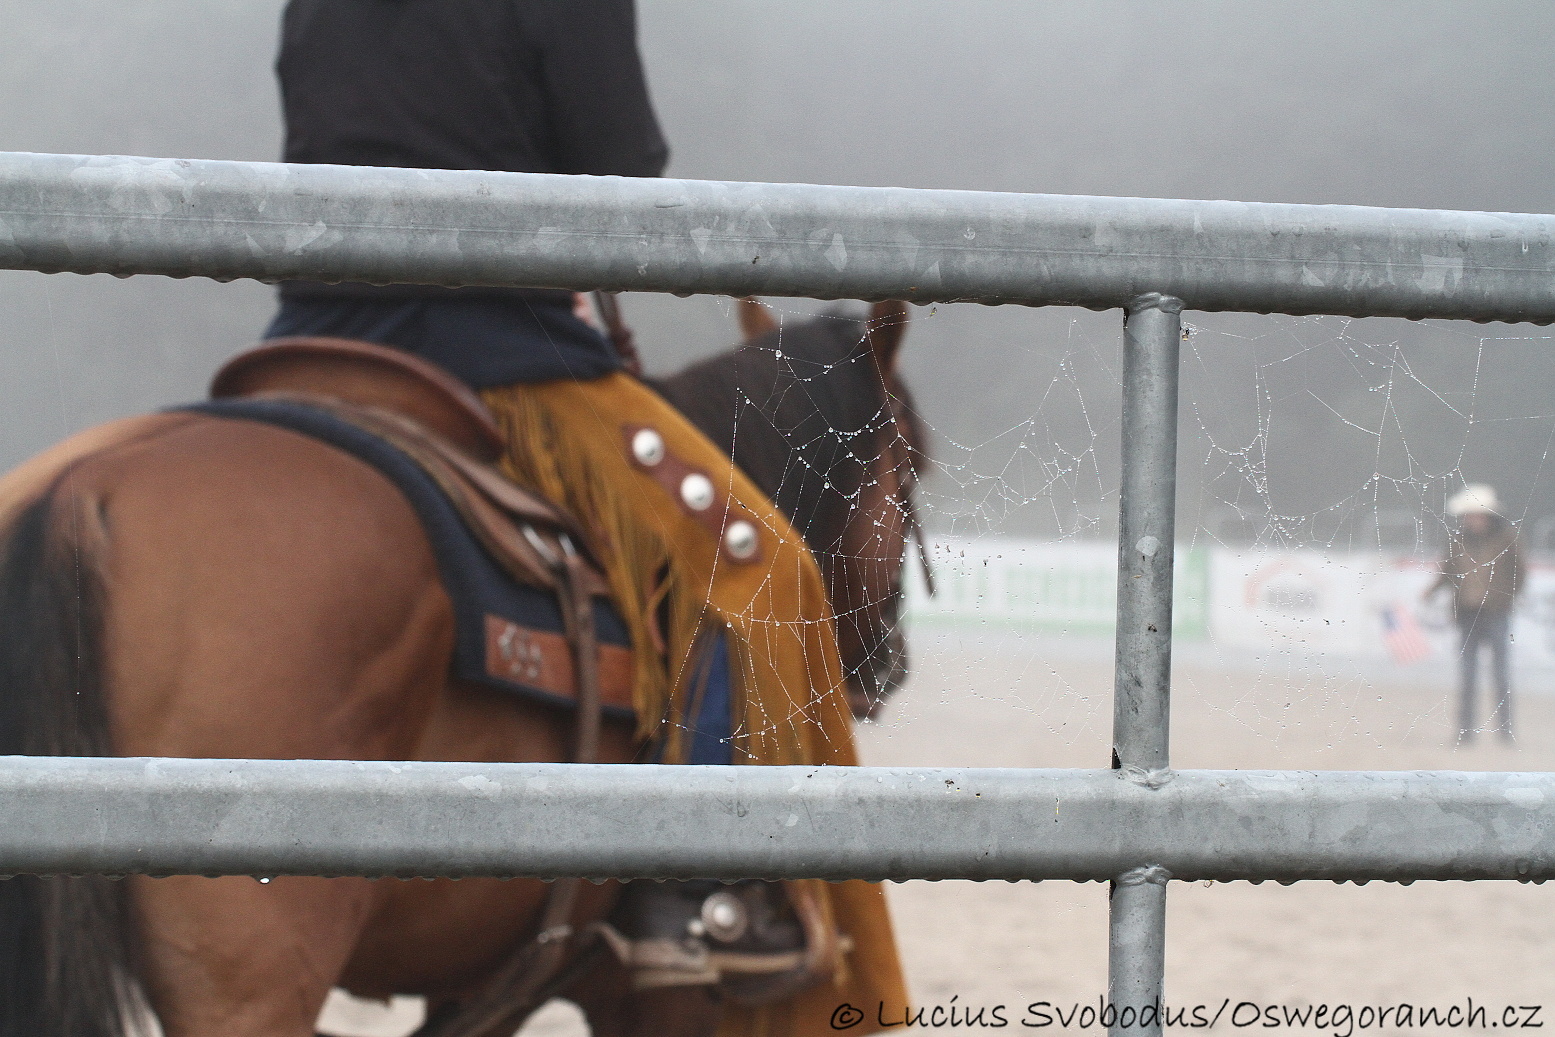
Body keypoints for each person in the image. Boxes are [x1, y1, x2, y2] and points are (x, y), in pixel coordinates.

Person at [265, 2, 906, 1032]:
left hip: (314, 341)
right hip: (491, 352)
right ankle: (692, 903)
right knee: (760, 562)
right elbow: (619, 162)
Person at [1424, 484, 1524, 743]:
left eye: (1476, 514)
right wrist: (1431, 591)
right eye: (1468, 515)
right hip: (1467, 614)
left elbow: (1520, 573)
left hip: (1497, 614)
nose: (1472, 520)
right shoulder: (1457, 540)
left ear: (1488, 516)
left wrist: (1506, 598)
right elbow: (1448, 571)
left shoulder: (1506, 538)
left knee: (1500, 675)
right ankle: (1465, 732)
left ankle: (1505, 731)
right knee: (1468, 676)